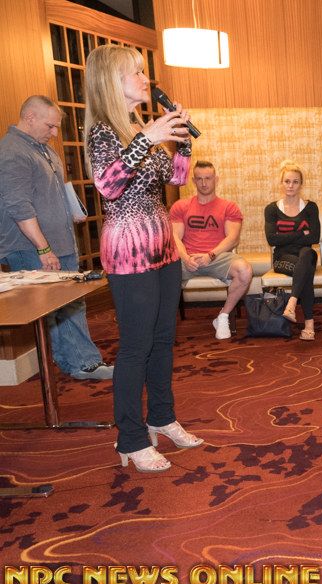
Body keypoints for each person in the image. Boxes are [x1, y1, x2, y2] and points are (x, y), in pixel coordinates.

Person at [85, 44, 202, 472]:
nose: (145, 78)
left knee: (163, 340)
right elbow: (108, 185)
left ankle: (162, 418)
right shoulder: (103, 131)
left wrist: (181, 143)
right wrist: (147, 139)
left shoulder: (137, 126)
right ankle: (131, 438)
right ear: (111, 82)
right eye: (135, 72)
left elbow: (176, 178)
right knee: (136, 347)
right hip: (129, 251)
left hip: (162, 246)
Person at [0, 96, 113, 380]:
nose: (54, 133)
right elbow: (19, 206)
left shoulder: (44, 150)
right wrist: (43, 248)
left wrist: (72, 209)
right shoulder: (12, 152)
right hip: (32, 248)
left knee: (71, 303)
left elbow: (54, 191)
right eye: (50, 126)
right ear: (30, 118)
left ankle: (77, 361)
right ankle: (83, 363)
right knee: (59, 306)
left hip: (60, 242)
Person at [170, 161, 252, 339]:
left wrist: (210, 255)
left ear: (216, 179)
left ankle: (223, 316)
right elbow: (175, 237)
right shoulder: (180, 206)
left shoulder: (228, 207)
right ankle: (164, 324)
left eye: (208, 178)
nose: (204, 183)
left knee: (245, 270)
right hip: (188, 259)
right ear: (193, 181)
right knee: (162, 273)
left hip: (217, 257)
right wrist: (185, 257)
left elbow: (233, 238)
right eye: (199, 179)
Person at [264, 160, 320, 341]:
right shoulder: (272, 209)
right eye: (287, 181)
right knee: (306, 271)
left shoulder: (310, 208)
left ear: (301, 184)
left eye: (295, 182)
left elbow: (314, 238)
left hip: (306, 255)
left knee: (307, 254)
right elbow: (272, 239)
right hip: (282, 257)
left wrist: (286, 236)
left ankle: (292, 302)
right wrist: (301, 233)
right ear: (281, 183)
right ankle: (309, 324)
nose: (291, 185)